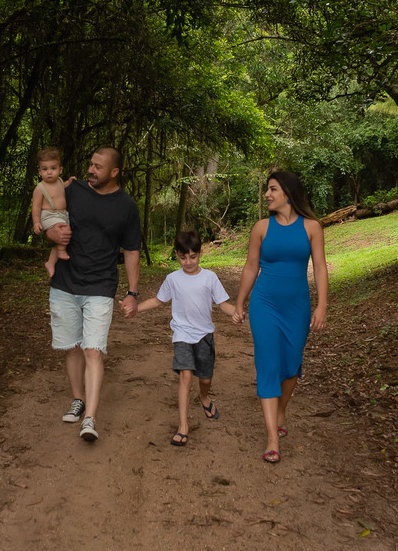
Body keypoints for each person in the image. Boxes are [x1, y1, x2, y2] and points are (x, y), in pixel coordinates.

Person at [44, 146, 142, 442]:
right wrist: (51, 235)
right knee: (72, 347)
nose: (91, 170)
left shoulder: (127, 206)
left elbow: (132, 251)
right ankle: (78, 399)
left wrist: (132, 292)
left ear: (115, 172)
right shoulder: (72, 190)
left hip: (100, 286)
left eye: (98, 167)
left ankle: (90, 418)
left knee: (93, 350)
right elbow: (50, 218)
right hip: (65, 283)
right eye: (90, 164)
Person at [232, 170, 328, 464]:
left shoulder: (312, 227)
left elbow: (321, 267)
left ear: (287, 192)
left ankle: (282, 408)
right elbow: (250, 267)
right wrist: (240, 302)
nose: (267, 195)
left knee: (291, 364)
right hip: (265, 304)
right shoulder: (261, 228)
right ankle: (272, 437)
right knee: (269, 364)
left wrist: (322, 305)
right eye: (267, 190)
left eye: (272, 189)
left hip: (297, 307)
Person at [131, 230, 236, 448]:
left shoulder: (210, 278)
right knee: (185, 377)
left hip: (204, 335)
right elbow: (158, 301)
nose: (188, 262)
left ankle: (204, 398)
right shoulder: (172, 279)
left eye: (192, 257)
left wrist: (236, 312)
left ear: (200, 253)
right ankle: (183, 426)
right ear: (177, 255)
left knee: (205, 379)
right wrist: (136, 308)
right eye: (182, 257)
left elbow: (223, 304)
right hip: (182, 335)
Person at [31, 147, 74, 278]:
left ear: (60, 170)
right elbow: (36, 207)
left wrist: (69, 182)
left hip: (62, 215)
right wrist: (36, 222)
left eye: (53, 168)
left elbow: (63, 187)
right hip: (49, 215)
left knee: (65, 236)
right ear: (39, 171)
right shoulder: (40, 188)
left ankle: (50, 262)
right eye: (45, 169)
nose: (49, 172)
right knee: (64, 231)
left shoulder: (60, 181)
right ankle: (60, 252)